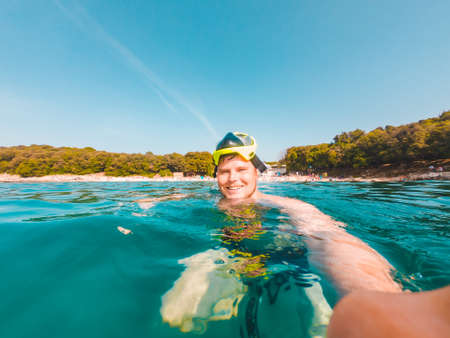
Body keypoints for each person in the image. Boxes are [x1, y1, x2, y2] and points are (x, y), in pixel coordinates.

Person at [213, 131, 401, 296]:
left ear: (256, 172)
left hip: (287, 268)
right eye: (224, 172)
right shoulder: (211, 200)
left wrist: (372, 293)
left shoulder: (289, 206)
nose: (232, 178)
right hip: (230, 261)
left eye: (241, 169)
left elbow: (330, 238)